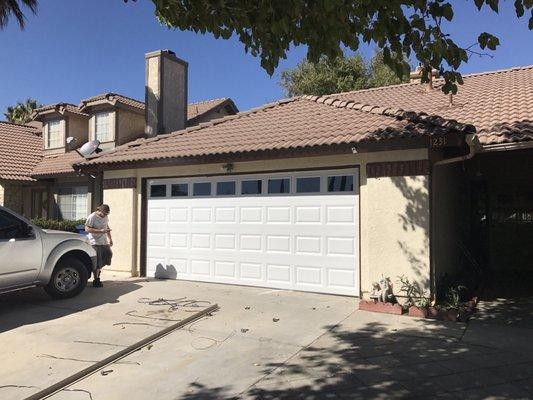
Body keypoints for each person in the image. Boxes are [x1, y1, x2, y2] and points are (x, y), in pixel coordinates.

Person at [85, 204, 113, 287]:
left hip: (104, 242)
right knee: (97, 262)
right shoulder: (92, 217)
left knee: (108, 255)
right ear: (99, 211)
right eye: (104, 214)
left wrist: (110, 239)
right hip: (94, 242)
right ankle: (96, 279)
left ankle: (97, 272)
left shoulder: (105, 217)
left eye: (106, 214)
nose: (105, 215)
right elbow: (87, 229)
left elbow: (106, 227)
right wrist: (100, 231)